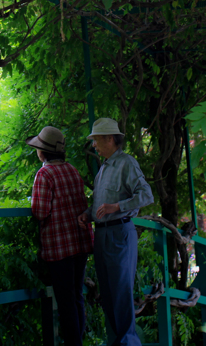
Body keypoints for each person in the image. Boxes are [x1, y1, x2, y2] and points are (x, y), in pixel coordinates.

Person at [76, 117, 154, 346]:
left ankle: (129, 343)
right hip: (101, 235)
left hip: (120, 233)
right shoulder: (104, 168)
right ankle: (118, 342)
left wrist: (117, 207)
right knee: (108, 296)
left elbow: (146, 195)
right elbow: (102, 201)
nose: (94, 145)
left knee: (120, 293)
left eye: (97, 140)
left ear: (110, 139)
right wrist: (88, 214)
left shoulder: (126, 163)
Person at [28, 126, 93, 346]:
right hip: (80, 243)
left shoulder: (44, 174)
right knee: (76, 297)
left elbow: (40, 212)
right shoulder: (72, 170)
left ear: (42, 152)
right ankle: (78, 341)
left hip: (59, 247)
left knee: (65, 302)